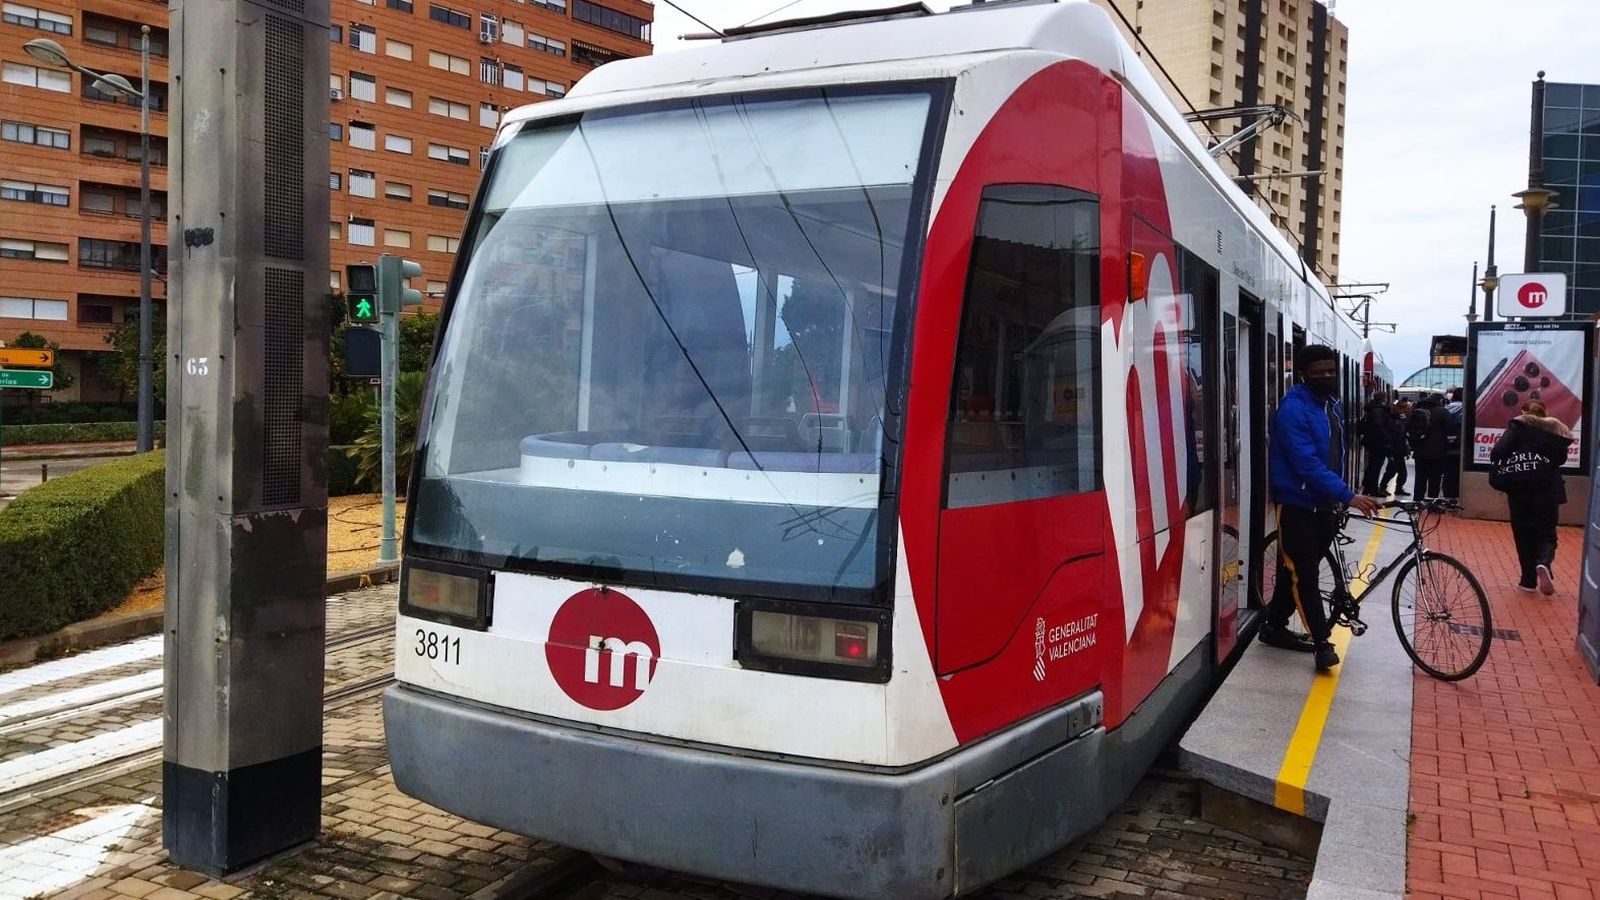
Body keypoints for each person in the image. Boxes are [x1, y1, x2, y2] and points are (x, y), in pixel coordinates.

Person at [1261, 344, 1382, 670]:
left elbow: (1334, 455)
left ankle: (1273, 627)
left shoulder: (1331, 405)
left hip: (1324, 506)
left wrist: (1338, 496)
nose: (1327, 377)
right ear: (1304, 375)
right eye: (1320, 373)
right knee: (1306, 575)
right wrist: (1349, 495)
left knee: (1295, 572)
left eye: (1331, 371)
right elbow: (1307, 464)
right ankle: (1322, 644)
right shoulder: (1292, 410)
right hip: (1297, 504)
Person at [1490, 399, 1573, 595]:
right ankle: (1543, 562)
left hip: (1519, 489)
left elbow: (1498, 452)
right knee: (1547, 533)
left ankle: (1528, 581)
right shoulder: (1555, 429)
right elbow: (1561, 459)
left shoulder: (1518, 426)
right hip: (1548, 487)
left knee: (1523, 533)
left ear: (1524, 411)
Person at [1411, 393, 1453, 499]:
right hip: (1437, 453)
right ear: (1440, 401)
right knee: (1434, 480)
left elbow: (1409, 427)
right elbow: (1451, 429)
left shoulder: (1417, 410)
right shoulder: (1443, 412)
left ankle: (1417, 501)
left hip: (1419, 452)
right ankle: (1431, 503)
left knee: (1420, 479)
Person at [1359, 392, 1392, 496]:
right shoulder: (1378, 410)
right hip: (1378, 442)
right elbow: (1378, 426)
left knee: (1372, 465)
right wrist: (1387, 438)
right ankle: (1373, 489)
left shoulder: (1372, 409)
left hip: (1372, 441)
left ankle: (1368, 487)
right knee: (1376, 466)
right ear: (1383, 399)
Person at [1382, 399, 1412, 496]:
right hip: (1394, 450)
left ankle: (1395, 488)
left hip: (1398, 450)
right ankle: (1383, 487)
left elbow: (1403, 435)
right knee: (1393, 470)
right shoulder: (1393, 421)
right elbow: (1395, 436)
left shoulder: (1399, 420)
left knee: (1398, 471)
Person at [1442, 387, 1464, 502]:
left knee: (1448, 473)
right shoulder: (1465, 408)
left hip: (1446, 446)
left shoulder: (1445, 409)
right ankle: (1455, 496)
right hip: (1460, 446)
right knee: (1456, 472)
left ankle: (1448, 495)